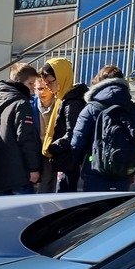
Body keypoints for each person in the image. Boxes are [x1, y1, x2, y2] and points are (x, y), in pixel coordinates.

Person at [71, 65, 135, 192]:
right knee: (119, 209)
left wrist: (77, 164)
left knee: (96, 210)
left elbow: (77, 142)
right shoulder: (133, 109)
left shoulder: (91, 108)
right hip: (123, 170)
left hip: (95, 170)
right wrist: (134, 169)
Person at [0, 63, 42, 195]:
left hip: (3, 170)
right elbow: (26, 138)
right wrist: (33, 168)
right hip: (21, 172)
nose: (32, 89)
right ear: (19, 82)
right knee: (28, 213)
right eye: (30, 84)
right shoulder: (22, 104)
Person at [39, 58, 89, 193]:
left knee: (64, 197)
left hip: (69, 162)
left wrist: (53, 147)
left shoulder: (72, 103)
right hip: (64, 160)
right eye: (45, 82)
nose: (47, 85)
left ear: (61, 78)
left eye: (50, 81)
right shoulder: (63, 98)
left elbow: (72, 133)